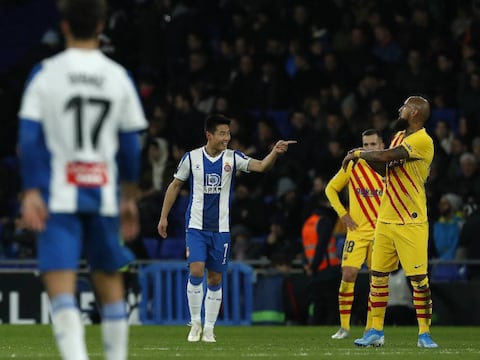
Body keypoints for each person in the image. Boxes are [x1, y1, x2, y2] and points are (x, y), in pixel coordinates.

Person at [17, 1, 147, 359]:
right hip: (103, 196)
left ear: (64, 26)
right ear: (102, 25)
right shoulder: (117, 76)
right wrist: (129, 195)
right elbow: (130, 146)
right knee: (108, 281)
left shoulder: (45, 73)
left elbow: (28, 140)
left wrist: (30, 190)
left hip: (59, 197)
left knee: (61, 287)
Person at [157, 114, 296, 342]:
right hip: (196, 227)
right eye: (222, 133)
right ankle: (195, 323)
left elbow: (261, 166)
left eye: (228, 133)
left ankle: (209, 328)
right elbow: (174, 187)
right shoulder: (191, 159)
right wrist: (164, 217)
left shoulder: (233, 158)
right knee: (196, 270)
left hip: (221, 230)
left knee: (214, 279)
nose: (227, 138)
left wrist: (274, 152)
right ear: (209, 135)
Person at [342, 96, 438, 348]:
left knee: (419, 280)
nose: (399, 109)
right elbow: (387, 169)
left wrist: (359, 153)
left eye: (404, 106)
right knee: (378, 276)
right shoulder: (398, 136)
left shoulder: (422, 140)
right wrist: (362, 159)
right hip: (385, 219)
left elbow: (387, 156)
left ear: (414, 112)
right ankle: (375, 330)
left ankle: (424, 333)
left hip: (412, 221)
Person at [325, 129, 385, 339]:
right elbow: (330, 189)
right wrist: (343, 214)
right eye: (365, 144)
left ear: (381, 146)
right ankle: (344, 327)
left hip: (381, 234)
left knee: (376, 282)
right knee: (348, 274)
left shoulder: (389, 168)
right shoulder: (353, 165)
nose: (368, 148)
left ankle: (373, 328)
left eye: (372, 144)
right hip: (357, 233)